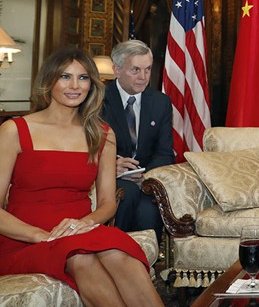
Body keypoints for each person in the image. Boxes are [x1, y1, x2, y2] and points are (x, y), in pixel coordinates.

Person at [0, 47, 163, 306]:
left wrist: (83, 224)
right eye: (65, 77)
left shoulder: (102, 134)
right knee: (81, 257)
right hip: (24, 238)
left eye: (83, 77)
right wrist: (38, 235)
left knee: (120, 252)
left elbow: (108, 202)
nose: (75, 85)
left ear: (92, 85)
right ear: (48, 80)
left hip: (80, 229)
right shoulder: (14, 130)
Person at [100, 39, 173, 242]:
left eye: (148, 69)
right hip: (109, 179)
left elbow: (165, 152)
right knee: (128, 193)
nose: (143, 77)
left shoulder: (161, 103)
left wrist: (145, 176)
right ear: (117, 70)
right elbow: (83, 146)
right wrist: (111, 165)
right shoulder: (96, 100)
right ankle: (111, 254)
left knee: (148, 209)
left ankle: (143, 266)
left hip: (146, 181)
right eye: (136, 70)